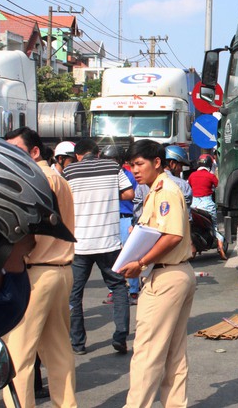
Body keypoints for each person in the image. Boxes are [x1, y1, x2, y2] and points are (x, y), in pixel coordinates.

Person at [1, 127, 78, 408]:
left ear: (34, 152)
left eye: (17, 152)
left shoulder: (33, 180)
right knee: (58, 351)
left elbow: (23, 233)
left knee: (17, 356)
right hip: (61, 269)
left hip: (35, 273)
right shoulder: (58, 179)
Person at [121, 140, 196, 408]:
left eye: (139, 164)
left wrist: (140, 262)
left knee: (147, 353)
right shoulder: (156, 190)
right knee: (174, 354)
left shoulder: (164, 191)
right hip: (176, 273)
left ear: (157, 162)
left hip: (166, 277)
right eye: (132, 165)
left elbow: (173, 235)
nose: (135, 170)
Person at [0, 137, 76, 339]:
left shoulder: (43, 180)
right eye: (21, 255)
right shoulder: (53, 179)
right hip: (58, 269)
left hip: (45, 272)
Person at [63, 138, 134, 355]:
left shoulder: (70, 172)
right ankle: (121, 336)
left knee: (74, 293)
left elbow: (63, 202)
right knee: (118, 287)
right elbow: (129, 194)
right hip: (108, 241)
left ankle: (78, 343)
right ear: (97, 153)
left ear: (77, 155)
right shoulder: (112, 167)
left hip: (80, 244)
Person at [102, 144, 141, 306]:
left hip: (126, 219)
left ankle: (133, 292)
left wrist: (136, 221)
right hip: (109, 219)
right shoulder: (103, 177)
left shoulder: (130, 176)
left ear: (118, 161)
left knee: (128, 255)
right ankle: (114, 289)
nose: (108, 163)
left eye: (111, 160)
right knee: (111, 256)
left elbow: (138, 197)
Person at [188, 154, 226, 259]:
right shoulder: (211, 176)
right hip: (207, 205)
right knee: (214, 227)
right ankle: (220, 247)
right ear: (209, 164)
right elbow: (218, 186)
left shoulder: (192, 175)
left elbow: (189, 188)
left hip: (194, 205)